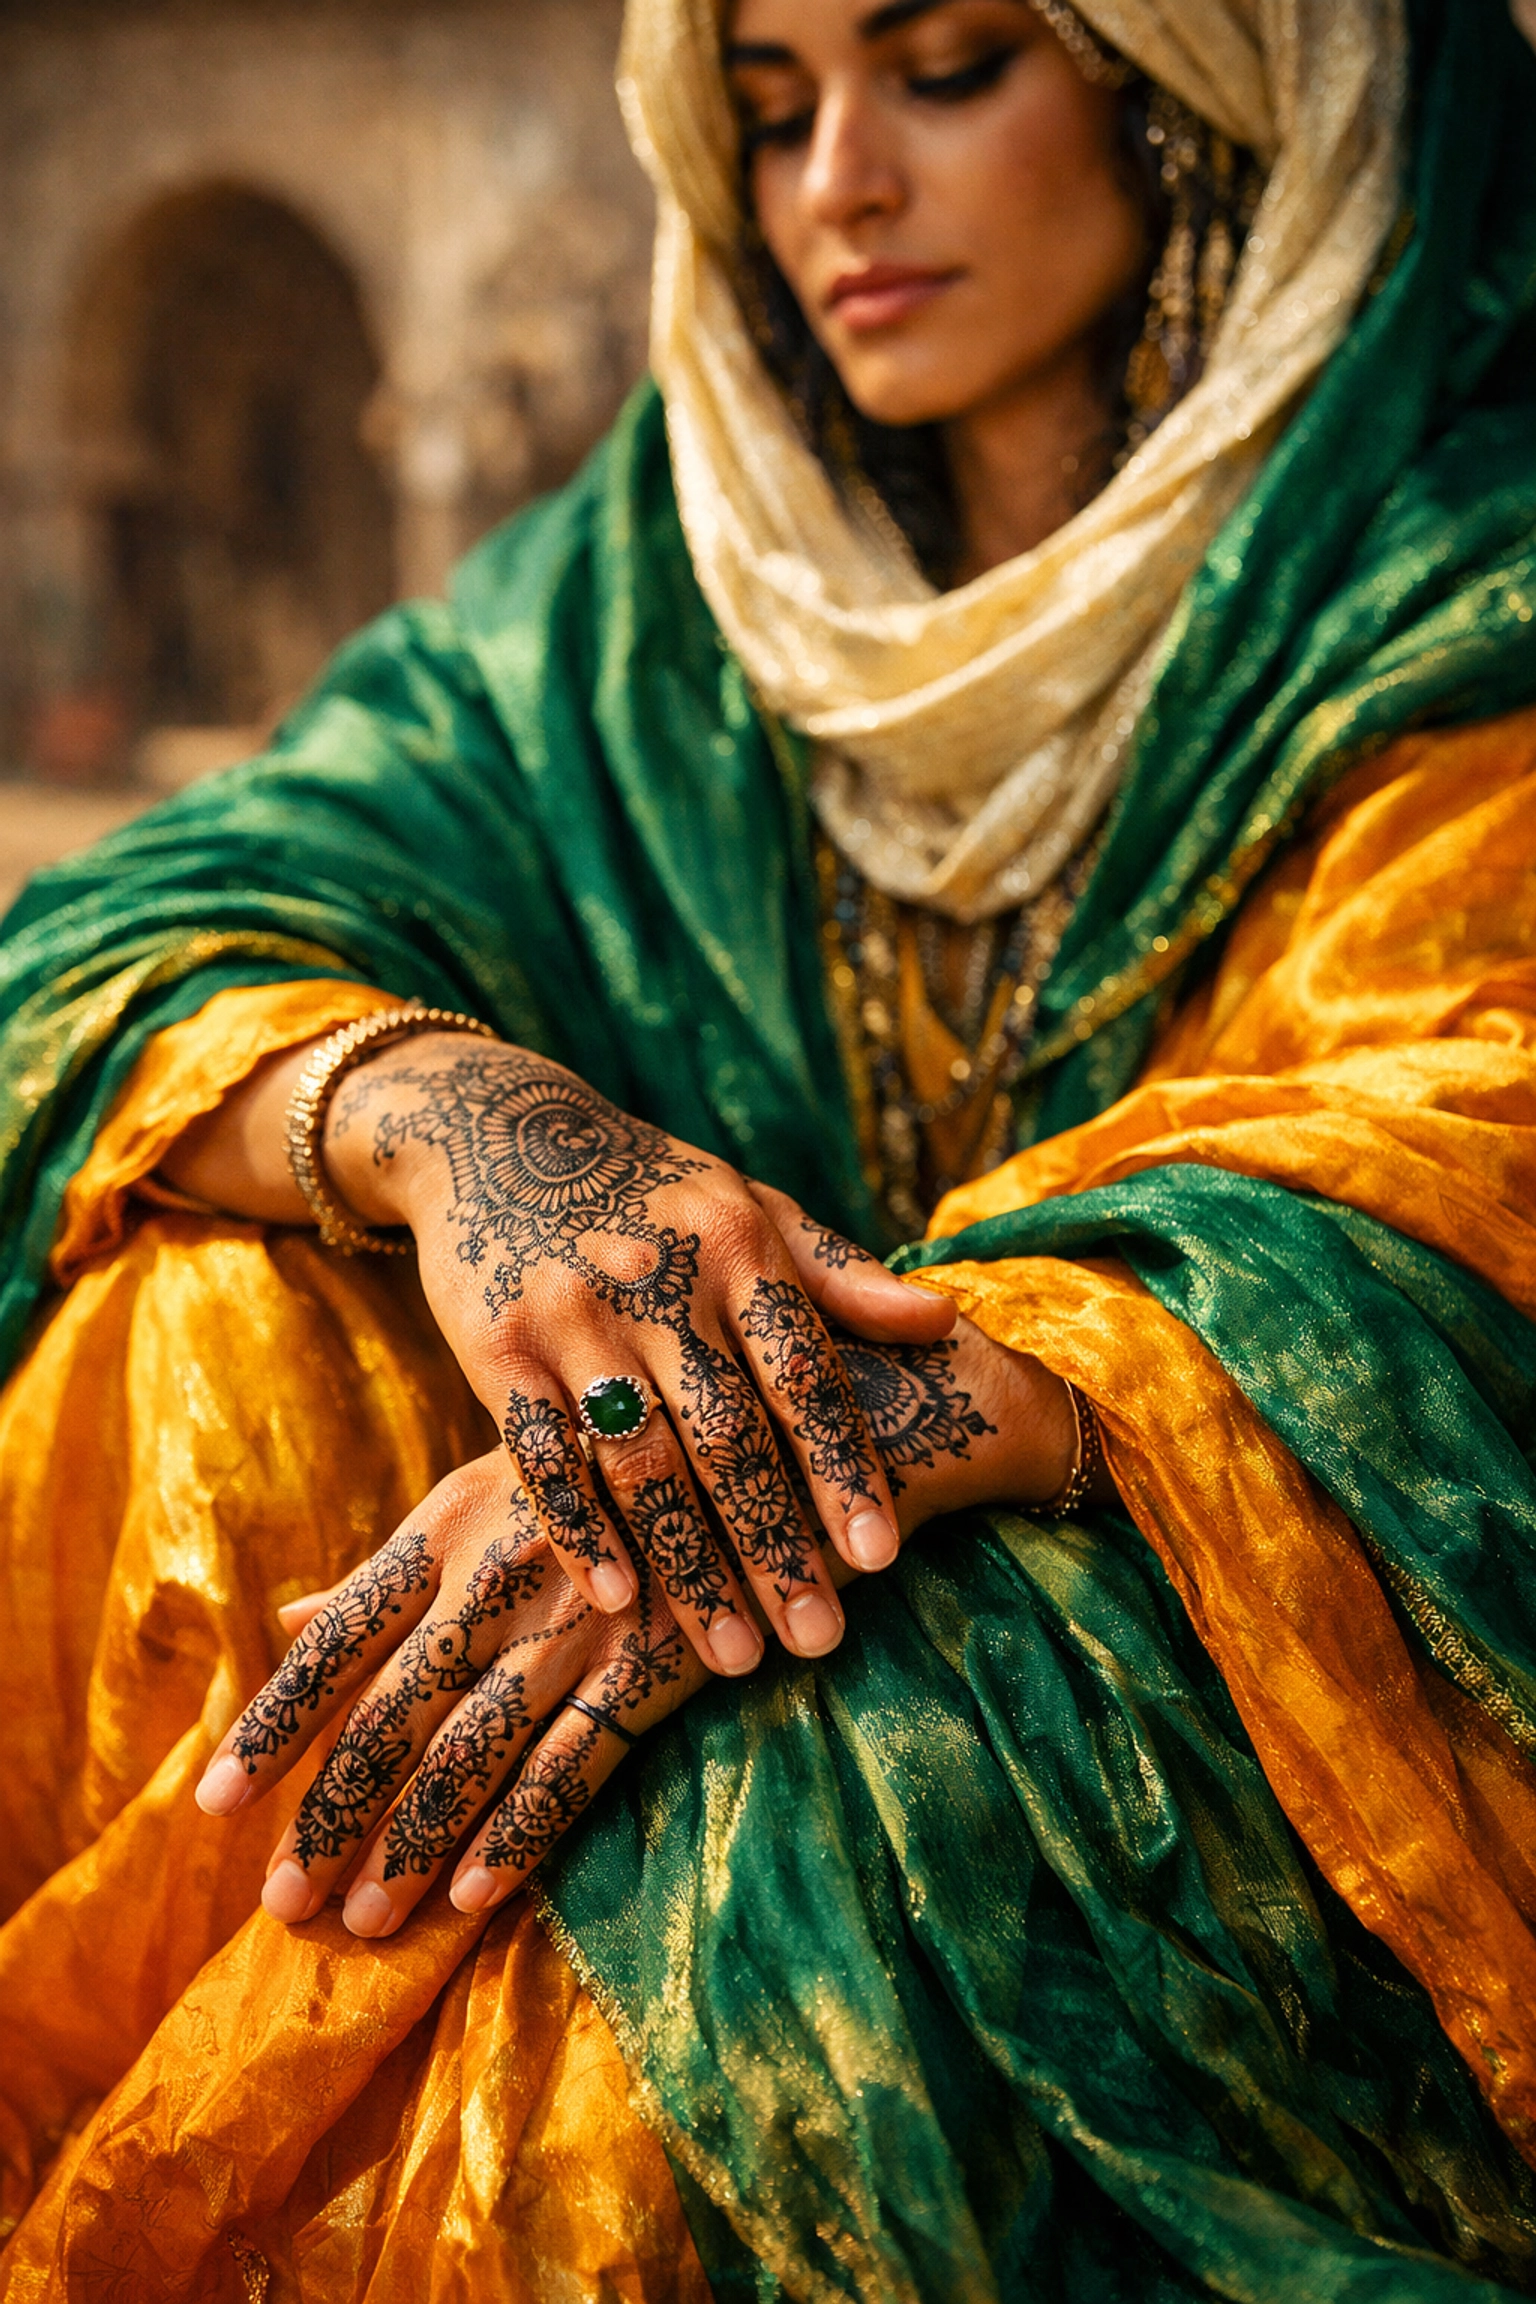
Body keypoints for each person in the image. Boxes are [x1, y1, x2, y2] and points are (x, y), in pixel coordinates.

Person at [1, 0, 1535, 2291]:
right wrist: (471, 1127)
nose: (833, 190)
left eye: (946, 67)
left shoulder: (1454, 573)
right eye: (767, 110)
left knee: (805, 1819)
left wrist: (809, 1426)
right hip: (708, 1500)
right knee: (193, 1333)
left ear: (1213, 86)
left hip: (1241, 1600)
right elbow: (125, 927)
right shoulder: (655, 603)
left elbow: (1471, 1130)